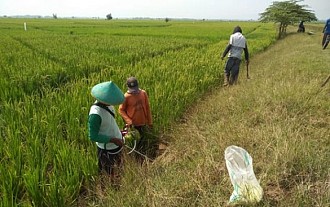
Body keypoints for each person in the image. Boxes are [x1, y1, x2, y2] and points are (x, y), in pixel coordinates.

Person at [88, 81, 125, 181]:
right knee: (107, 171)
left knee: (119, 165)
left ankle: (119, 181)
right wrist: (112, 139)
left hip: (117, 142)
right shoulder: (95, 115)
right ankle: (109, 188)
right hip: (107, 149)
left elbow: (110, 122)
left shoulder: (109, 105)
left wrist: (118, 133)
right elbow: (93, 136)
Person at [119, 77, 153, 159]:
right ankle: (135, 157)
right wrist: (128, 121)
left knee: (143, 139)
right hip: (133, 125)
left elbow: (147, 108)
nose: (134, 91)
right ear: (128, 87)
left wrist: (150, 122)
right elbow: (121, 110)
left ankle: (144, 154)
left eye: (135, 88)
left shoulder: (143, 93)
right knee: (134, 142)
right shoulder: (126, 97)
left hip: (143, 122)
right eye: (132, 89)